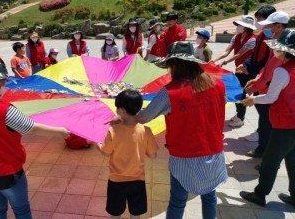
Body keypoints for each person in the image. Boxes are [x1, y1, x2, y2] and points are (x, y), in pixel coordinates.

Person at [0, 61, 69, 219]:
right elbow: (32, 128)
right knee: (21, 210)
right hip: (8, 171)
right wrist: (61, 131)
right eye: (3, 82)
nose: (5, 85)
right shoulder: (4, 109)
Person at [136, 41, 227, 219]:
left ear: (175, 64)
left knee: (178, 201)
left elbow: (145, 117)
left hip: (185, 156)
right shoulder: (217, 84)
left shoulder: (170, 92)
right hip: (213, 151)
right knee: (209, 196)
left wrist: (126, 111)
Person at [240, 30, 295, 208]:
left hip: (285, 122)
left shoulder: (282, 70)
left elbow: (271, 97)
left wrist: (252, 99)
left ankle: (259, 194)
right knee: (292, 159)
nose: (276, 52)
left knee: (270, 161)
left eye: (279, 48)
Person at [97, 89, 158, 219]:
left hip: (116, 181)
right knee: (136, 213)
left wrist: (97, 144)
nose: (116, 111)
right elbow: (153, 155)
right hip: (138, 180)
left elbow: (105, 152)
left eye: (117, 109)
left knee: (115, 213)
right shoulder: (146, 130)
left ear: (122, 111)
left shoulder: (112, 131)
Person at [243, 10, 290, 158]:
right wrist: (257, 78)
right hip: (266, 86)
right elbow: (267, 66)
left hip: (272, 91)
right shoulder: (275, 43)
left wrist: (255, 87)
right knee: (265, 122)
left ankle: (266, 153)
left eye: (269, 25)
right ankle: (264, 150)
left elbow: (272, 72)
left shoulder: (283, 46)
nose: (265, 28)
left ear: (279, 26)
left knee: (267, 124)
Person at [211, 15, 256, 128]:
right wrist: (215, 60)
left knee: (242, 93)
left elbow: (238, 54)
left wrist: (224, 62)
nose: (237, 27)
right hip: (239, 69)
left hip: (248, 70)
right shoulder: (236, 37)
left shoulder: (252, 40)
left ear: (246, 27)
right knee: (237, 91)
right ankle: (238, 114)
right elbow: (226, 51)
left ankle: (241, 117)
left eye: (240, 25)